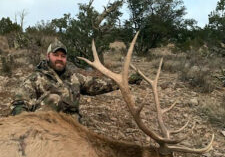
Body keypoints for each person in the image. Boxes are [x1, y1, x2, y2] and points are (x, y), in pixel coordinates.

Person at [11, 39, 141, 121]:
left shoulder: (74, 78)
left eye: (63, 56)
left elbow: (98, 85)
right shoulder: (35, 79)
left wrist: (128, 80)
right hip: (44, 132)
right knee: (54, 99)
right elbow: (19, 105)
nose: (59, 59)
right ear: (48, 56)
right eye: (55, 55)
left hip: (72, 130)